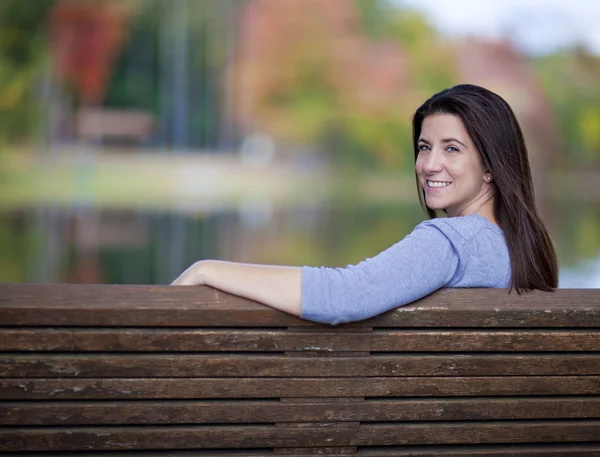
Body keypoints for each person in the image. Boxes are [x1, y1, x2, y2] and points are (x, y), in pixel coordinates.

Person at [171, 84, 558, 325]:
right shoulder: (516, 248)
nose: (428, 164)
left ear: (491, 165)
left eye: (451, 149)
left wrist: (209, 270)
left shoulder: (453, 242)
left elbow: (343, 296)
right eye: (424, 147)